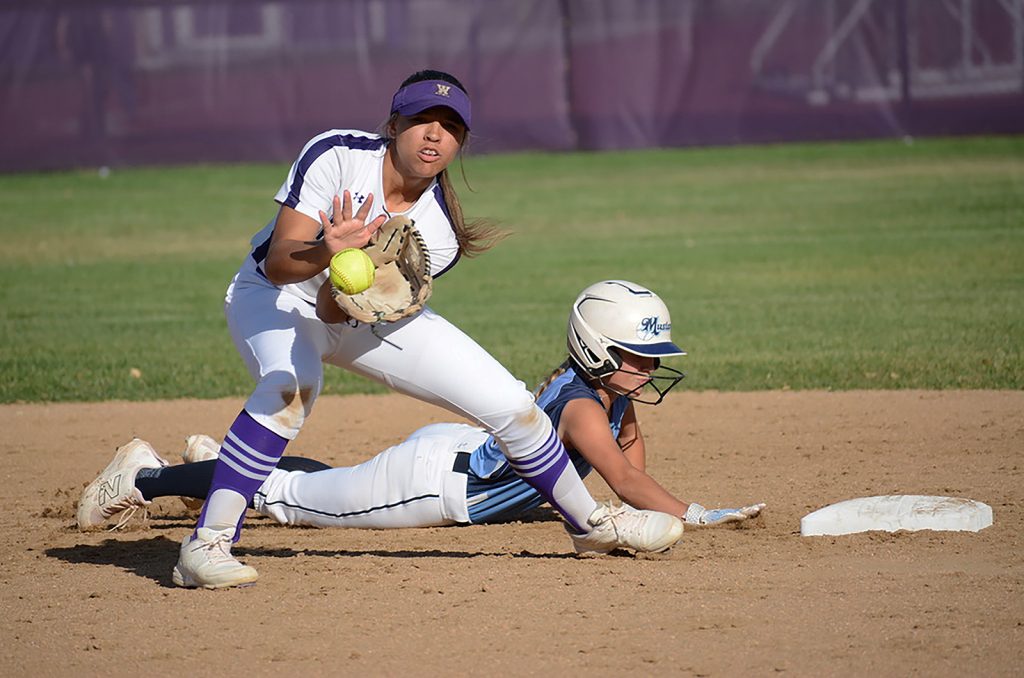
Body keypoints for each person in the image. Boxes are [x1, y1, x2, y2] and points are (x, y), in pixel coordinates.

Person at [131, 70, 685, 588]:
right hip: (273, 297)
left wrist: (345, 286)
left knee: (513, 405)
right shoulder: (338, 155)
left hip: (350, 310)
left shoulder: (437, 233)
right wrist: (330, 250)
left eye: (451, 128)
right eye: (423, 120)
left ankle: (590, 526)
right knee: (291, 386)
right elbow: (278, 262)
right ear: (393, 125)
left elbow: (337, 315)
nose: (434, 136)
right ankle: (206, 546)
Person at [78, 281, 764, 551]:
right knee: (291, 499)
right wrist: (696, 512)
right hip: (435, 487)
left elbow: (629, 467)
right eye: (636, 355)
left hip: (449, 460)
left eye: (652, 357)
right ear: (597, 349)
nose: (648, 367)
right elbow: (625, 485)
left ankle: (200, 461)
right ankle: (145, 477)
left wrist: (634, 416)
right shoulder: (583, 407)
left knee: (325, 485)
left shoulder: (606, 400)